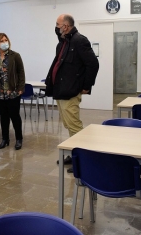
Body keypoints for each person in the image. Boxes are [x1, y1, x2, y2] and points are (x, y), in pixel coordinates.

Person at [45, 14, 99, 172]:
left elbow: (93, 64)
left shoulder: (79, 40)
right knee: (68, 124)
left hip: (70, 91)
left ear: (65, 26)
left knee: (75, 126)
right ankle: (74, 153)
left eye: (57, 24)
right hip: (61, 90)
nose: (56, 27)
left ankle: (83, 160)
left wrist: (86, 86)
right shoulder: (63, 42)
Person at [0, 33, 25, 150]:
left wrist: (21, 88)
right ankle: (5, 139)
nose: (4, 42)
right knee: (3, 117)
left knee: (15, 116)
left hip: (13, 92)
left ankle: (18, 139)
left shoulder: (15, 56)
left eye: (6, 40)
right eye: (2, 41)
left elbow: (21, 72)